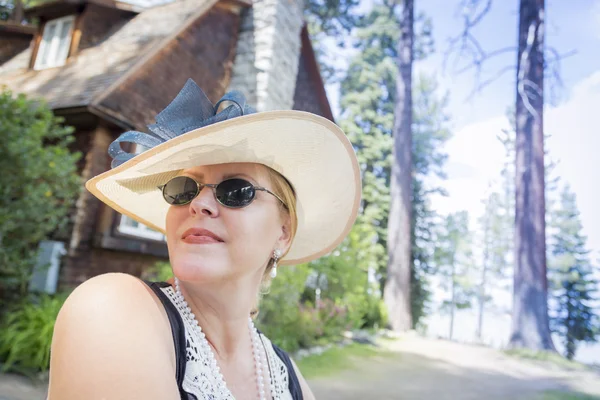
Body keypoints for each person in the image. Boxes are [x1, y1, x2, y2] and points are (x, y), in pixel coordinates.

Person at [47, 79, 361, 400]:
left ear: (283, 233)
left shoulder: (286, 375)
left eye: (236, 191)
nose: (198, 203)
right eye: (184, 188)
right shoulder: (111, 310)